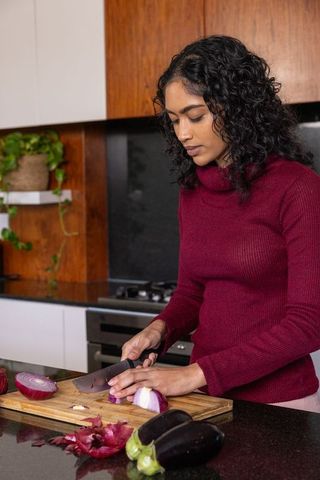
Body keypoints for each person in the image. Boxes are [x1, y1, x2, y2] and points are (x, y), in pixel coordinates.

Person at [108, 35, 320, 412]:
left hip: (283, 405)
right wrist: (160, 329)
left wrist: (193, 374)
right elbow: (192, 294)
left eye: (195, 116)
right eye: (174, 120)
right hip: (205, 400)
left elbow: (309, 322)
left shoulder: (298, 187)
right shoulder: (193, 191)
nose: (183, 133)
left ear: (236, 108)